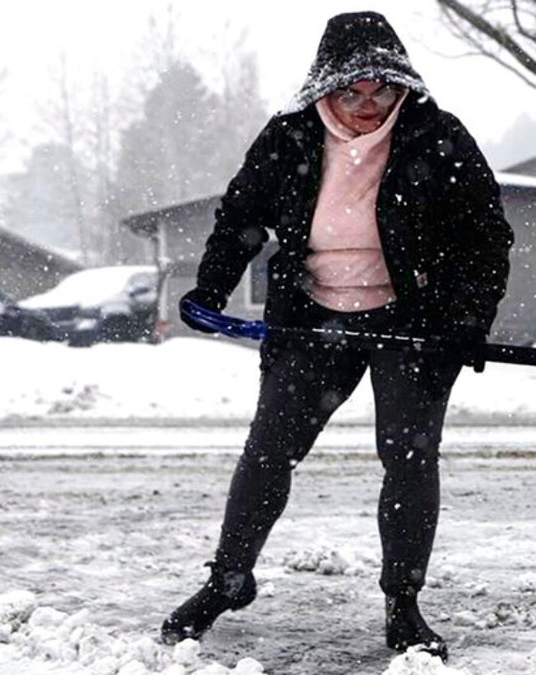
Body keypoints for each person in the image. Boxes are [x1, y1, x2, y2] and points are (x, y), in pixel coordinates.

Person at [159, 12, 513, 661]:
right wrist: (211, 287)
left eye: (382, 91)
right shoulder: (291, 137)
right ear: (326, 88)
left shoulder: (435, 136)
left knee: (408, 457)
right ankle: (228, 578)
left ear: (401, 85)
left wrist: (467, 322)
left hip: (412, 322)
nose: (368, 106)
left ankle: (403, 604)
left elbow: (485, 239)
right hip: (312, 316)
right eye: (353, 93)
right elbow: (241, 216)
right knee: (268, 450)